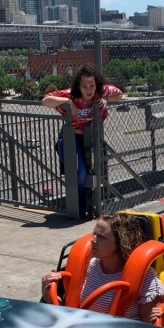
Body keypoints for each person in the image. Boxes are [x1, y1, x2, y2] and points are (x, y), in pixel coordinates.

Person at [42, 213, 163, 322]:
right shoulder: (87, 267)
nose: (93, 240)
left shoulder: (145, 277)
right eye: (94, 234)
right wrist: (46, 289)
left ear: (122, 243)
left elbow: (150, 326)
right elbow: (65, 310)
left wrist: (158, 317)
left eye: (102, 237)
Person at [41, 65, 123, 217]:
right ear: (78, 86)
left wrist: (106, 98)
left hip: (91, 139)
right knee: (80, 174)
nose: (89, 90)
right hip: (71, 139)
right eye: (84, 86)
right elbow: (45, 100)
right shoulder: (71, 94)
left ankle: (90, 207)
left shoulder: (101, 92)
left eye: (92, 85)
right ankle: (79, 210)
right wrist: (67, 102)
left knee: (95, 174)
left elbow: (119, 94)